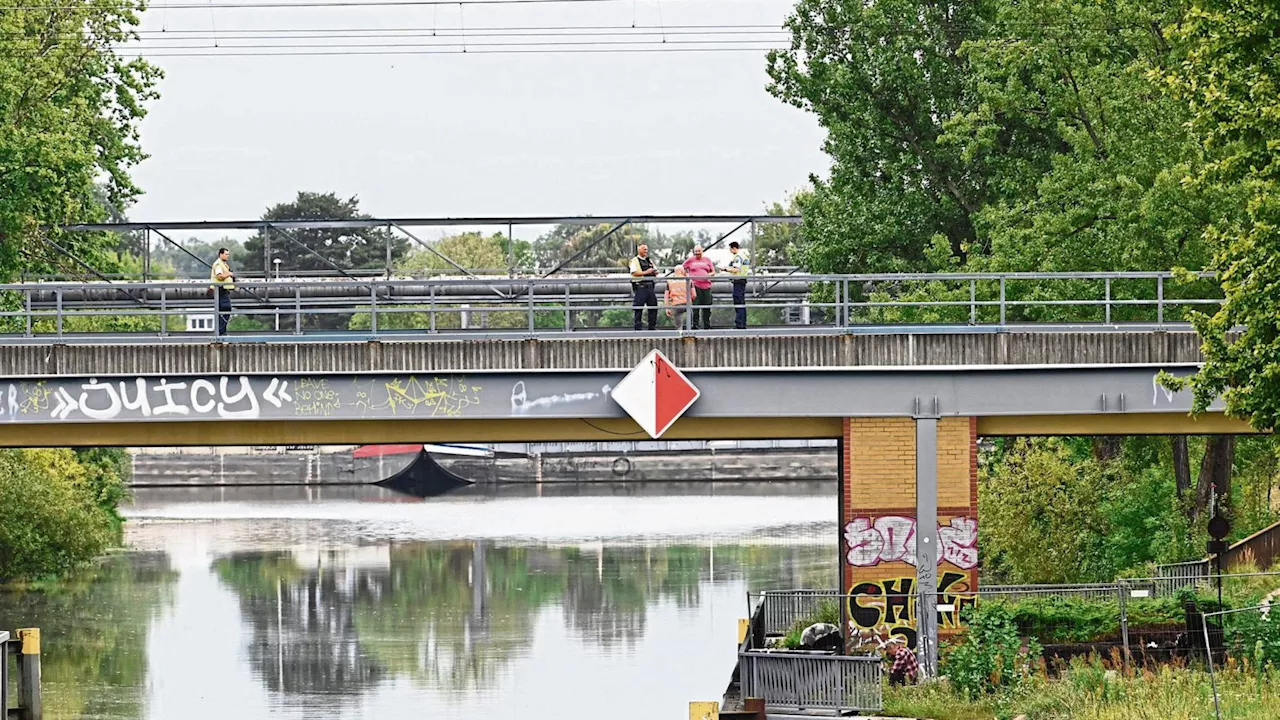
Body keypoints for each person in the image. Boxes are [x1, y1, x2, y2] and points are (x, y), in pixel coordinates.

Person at [682, 245, 715, 330]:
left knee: (707, 306)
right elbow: (682, 268)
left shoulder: (707, 260)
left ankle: (707, 325)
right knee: (696, 306)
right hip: (695, 285)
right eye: (695, 251)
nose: (697, 253)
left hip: (706, 285)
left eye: (698, 251)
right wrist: (687, 275)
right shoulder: (690, 260)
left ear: (702, 251)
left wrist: (708, 275)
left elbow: (713, 271)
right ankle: (695, 325)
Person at [628, 243, 658, 331]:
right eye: (644, 249)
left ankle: (652, 327)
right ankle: (638, 328)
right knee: (638, 308)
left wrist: (655, 272)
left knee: (653, 306)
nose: (646, 251)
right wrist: (647, 272)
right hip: (641, 287)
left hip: (650, 287)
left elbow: (655, 270)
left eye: (646, 249)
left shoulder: (649, 260)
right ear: (639, 250)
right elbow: (634, 273)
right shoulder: (634, 260)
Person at [725, 240, 751, 329]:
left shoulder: (738, 257)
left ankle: (739, 325)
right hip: (742, 280)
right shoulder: (744, 255)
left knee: (738, 302)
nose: (730, 251)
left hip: (738, 281)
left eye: (730, 249)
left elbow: (736, 269)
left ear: (734, 248)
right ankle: (742, 323)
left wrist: (725, 269)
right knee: (741, 302)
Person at [210, 247, 235, 336]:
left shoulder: (223, 264)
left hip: (222, 289)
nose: (228, 256)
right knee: (225, 308)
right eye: (226, 254)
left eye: (228, 254)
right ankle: (221, 332)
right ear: (221, 254)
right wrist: (229, 274)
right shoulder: (218, 264)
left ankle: (221, 331)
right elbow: (219, 276)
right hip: (220, 289)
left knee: (222, 310)